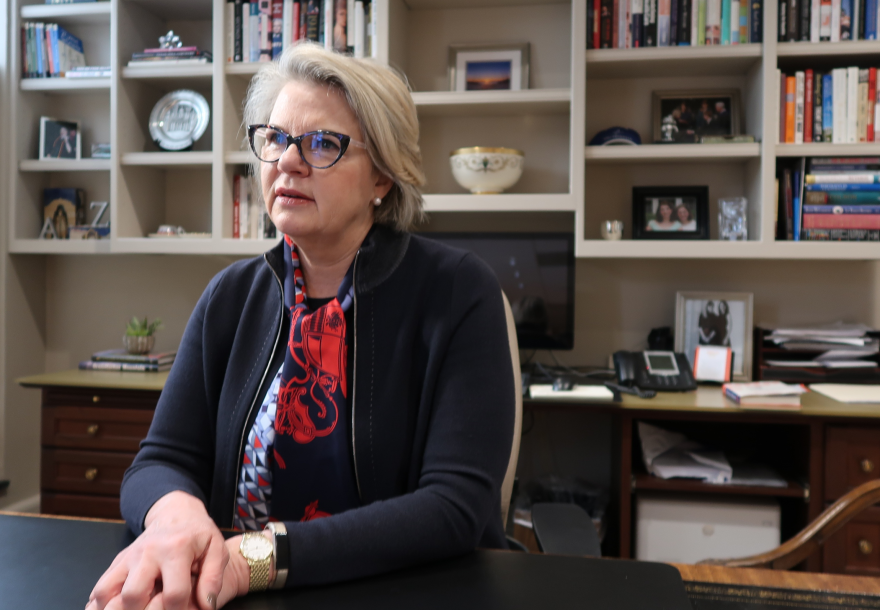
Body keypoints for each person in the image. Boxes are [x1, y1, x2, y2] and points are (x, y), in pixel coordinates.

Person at [87, 42, 515, 610]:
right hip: (225, 591)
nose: (287, 160)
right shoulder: (230, 297)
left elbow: (453, 507)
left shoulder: (458, 291)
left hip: (402, 593)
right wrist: (177, 521)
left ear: (382, 178)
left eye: (322, 144)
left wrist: (254, 559)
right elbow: (159, 461)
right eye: (274, 138)